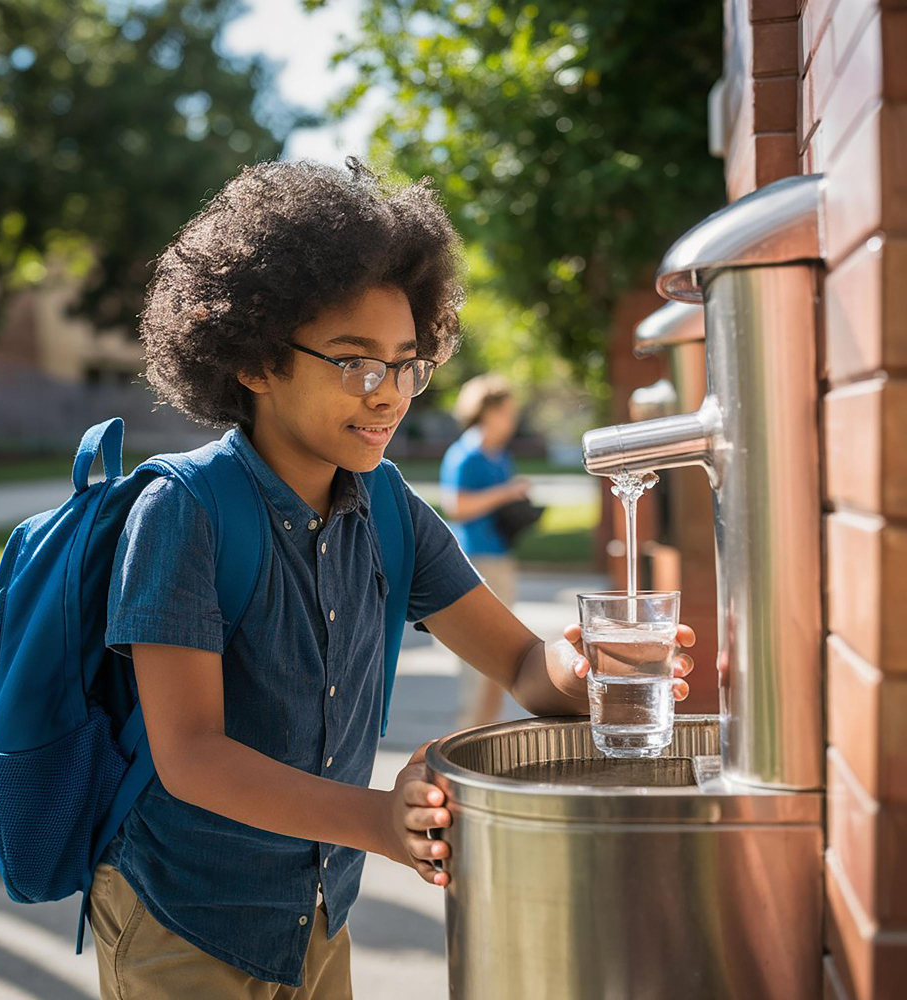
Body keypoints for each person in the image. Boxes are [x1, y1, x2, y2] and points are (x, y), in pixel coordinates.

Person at [88, 157, 695, 999]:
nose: (391, 395)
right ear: (256, 361)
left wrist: (599, 669)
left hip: (317, 913)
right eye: (354, 361)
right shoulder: (184, 514)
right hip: (185, 919)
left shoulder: (386, 507)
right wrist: (383, 820)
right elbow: (191, 756)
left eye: (408, 363)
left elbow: (523, 663)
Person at [439, 375, 529, 728]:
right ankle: (462, 747)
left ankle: (487, 738)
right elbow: (456, 506)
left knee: (504, 663)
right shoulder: (467, 454)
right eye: (506, 413)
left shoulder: (499, 456)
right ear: (487, 413)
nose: (512, 421)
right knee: (478, 665)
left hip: (500, 558)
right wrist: (507, 493)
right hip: (475, 562)